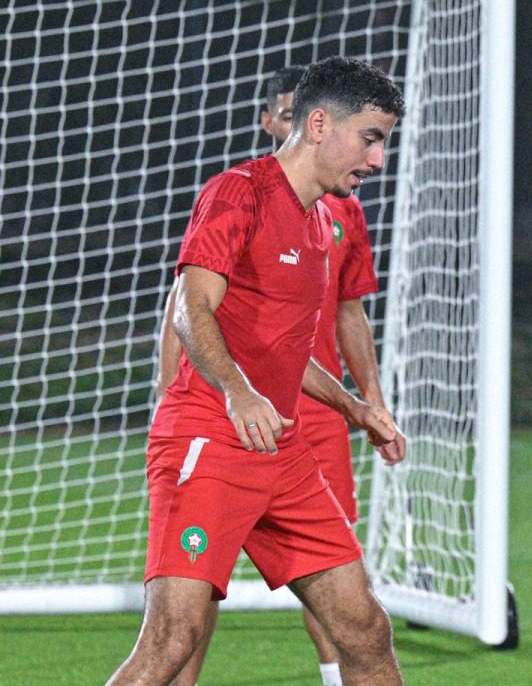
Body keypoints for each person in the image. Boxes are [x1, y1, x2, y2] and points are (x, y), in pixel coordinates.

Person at [110, 57, 408, 686]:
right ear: (321, 124)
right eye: (371, 139)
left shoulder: (323, 222)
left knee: (365, 630)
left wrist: (355, 407)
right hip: (209, 438)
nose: (378, 161)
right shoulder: (237, 192)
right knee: (173, 642)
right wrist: (238, 391)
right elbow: (191, 312)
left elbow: (283, 348)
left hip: (284, 448)